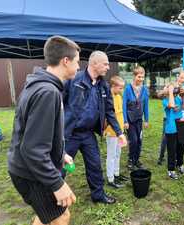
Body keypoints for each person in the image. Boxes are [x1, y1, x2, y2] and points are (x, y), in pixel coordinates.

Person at [8, 36, 80, 225]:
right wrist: (57, 184)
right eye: (77, 61)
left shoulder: (40, 85)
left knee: (47, 216)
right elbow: (32, 149)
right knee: (61, 217)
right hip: (30, 173)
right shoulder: (48, 92)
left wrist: (61, 153)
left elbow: (35, 133)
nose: (79, 67)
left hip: (26, 167)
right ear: (66, 61)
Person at [63, 51, 127, 204]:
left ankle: (98, 195)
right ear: (94, 64)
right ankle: (53, 195)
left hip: (88, 134)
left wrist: (119, 132)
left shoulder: (103, 86)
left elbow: (110, 111)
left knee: (95, 165)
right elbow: (58, 102)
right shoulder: (74, 80)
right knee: (63, 165)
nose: (107, 67)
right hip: (70, 134)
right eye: (105, 64)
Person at [156, 70, 184, 165]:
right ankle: (161, 157)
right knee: (165, 139)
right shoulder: (171, 85)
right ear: (178, 76)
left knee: (179, 141)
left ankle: (175, 159)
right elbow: (160, 94)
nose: (182, 80)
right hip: (168, 118)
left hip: (179, 118)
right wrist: (169, 90)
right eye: (182, 77)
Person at [104, 76, 129, 188]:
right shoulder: (108, 97)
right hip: (112, 132)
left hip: (120, 132)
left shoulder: (118, 96)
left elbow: (120, 113)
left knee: (118, 153)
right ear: (113, 86)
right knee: (111, 155)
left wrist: (123, 125)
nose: (121, 90)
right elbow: (109, 116)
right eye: (120, 88)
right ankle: (110, 179)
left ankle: (116, 174)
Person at [123, 66, 149, 170]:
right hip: (130, 120)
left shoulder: (144, 89)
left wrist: (146, 119)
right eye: (139, 77)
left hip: (139, 120)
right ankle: (130, 160)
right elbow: (124, 105)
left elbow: (146, 105)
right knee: (133, 140)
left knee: (139, 140)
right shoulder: (128, 89)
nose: (141, 79)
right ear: (134, 76)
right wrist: (125, 121)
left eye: (143, 77)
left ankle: (137, 160)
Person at [163, 83, 184, 179]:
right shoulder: (165, 100)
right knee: (172, 150)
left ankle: (180, 164)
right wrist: (170, 91)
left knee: (181, 148)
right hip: (171, 129)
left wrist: (183, 97)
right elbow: (171, 105)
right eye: (172, 89)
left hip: (180, 127)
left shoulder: (178, 98)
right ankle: (171, 170)